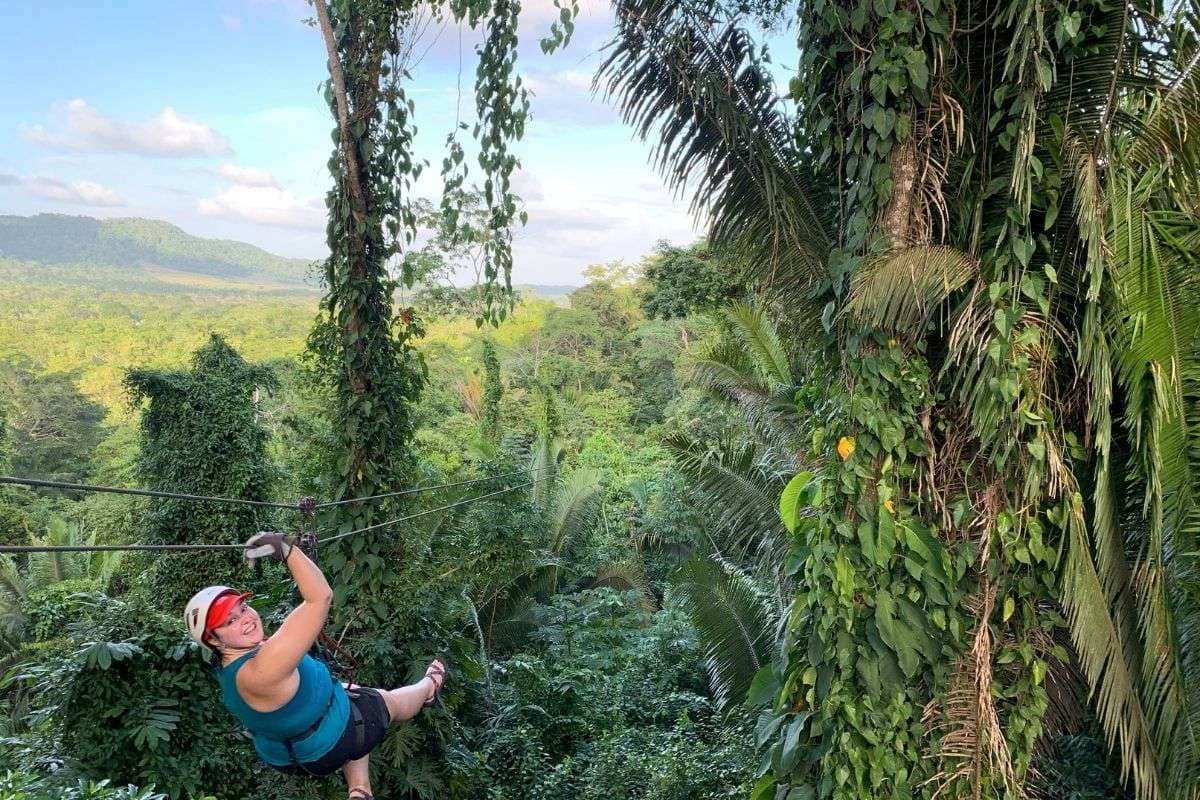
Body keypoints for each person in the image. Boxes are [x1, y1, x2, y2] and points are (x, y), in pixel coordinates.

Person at [185, 532, 445, 800]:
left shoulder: (230, 665)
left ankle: (360, 791)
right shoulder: (261, 670)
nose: (246, 618)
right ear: (213, 640)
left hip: (289, 747)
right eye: (230, 621)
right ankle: (427, 689)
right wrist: (287, 550)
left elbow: (291, 636)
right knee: (381, 702)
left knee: (347, 695)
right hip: (327, 745)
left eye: (243, 607)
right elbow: (319, 597)